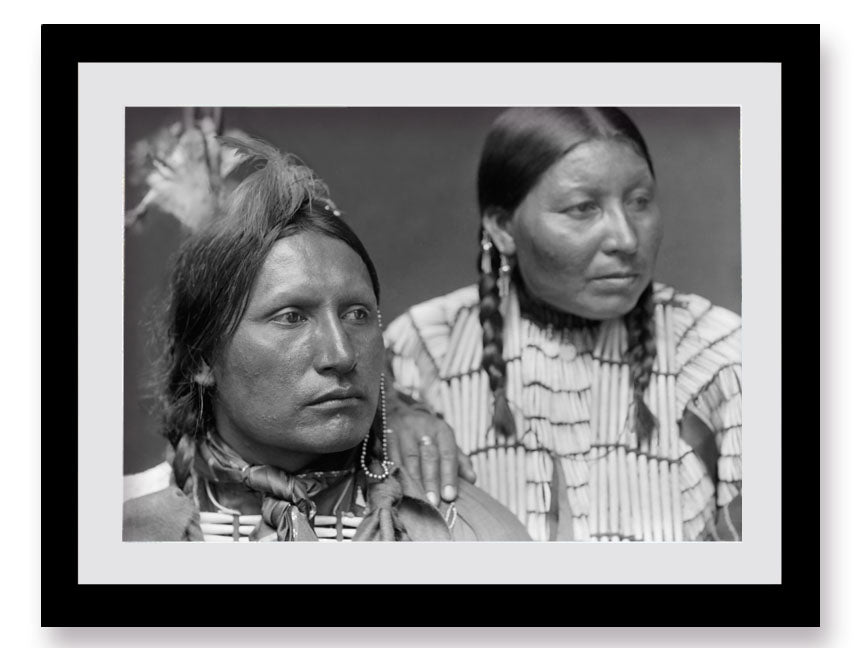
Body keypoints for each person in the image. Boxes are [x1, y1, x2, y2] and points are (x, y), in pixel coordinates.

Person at [122, 136, 530, 542]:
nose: (342, 354)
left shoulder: (469, 532)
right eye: (292, 317)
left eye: (357, 315)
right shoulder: (118, 529)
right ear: (202, 359)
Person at [385, 107, 742, 542]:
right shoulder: (425, 346)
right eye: (583, 209)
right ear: (502, 228)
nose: (626, 239)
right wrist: (393, 414)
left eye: (640, 202)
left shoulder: (719, 351)